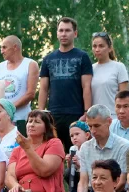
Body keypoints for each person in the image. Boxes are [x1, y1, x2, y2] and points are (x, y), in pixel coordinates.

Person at [38, 17, 93, 151]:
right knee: (51, 151)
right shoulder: (48, 59)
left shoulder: (82, 57)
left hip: (76, 113)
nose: (64, 34)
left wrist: (87, 112)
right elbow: (43, 88)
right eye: (61, 30)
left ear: (75, 33)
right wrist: (40, 112)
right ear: (57, 33)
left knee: (76, 153)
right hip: (53, 114)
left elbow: (87, 86)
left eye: (67, 30)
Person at [0, 36, 38, 134]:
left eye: (4, 47)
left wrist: (9, 108)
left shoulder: (30, 64)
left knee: (21, 148)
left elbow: (30, 94)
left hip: (21, 119)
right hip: (2, 120)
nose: (1, 51)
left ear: (15, 47)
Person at [90, 32, 129, 118]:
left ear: (110, 48)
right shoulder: (90, 69)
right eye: (94, 46)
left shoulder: (119, 67)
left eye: (101, 46)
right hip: (94, 119)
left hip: (113, 117)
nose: (97, 49)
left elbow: (124, 97)